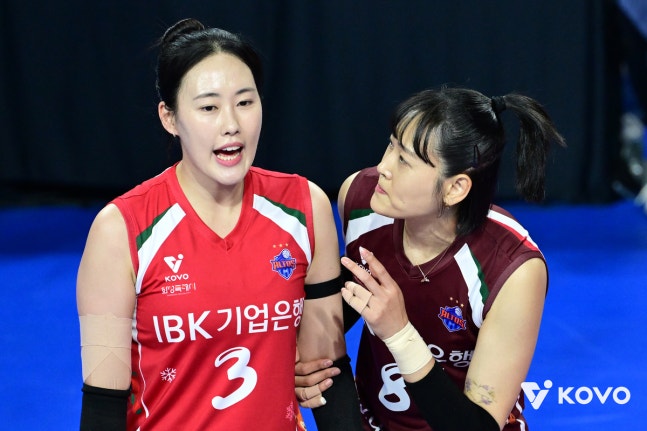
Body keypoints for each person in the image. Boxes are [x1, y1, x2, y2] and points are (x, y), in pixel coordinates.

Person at [76, 18, 362, 430]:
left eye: (245, 102)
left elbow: (327, 374)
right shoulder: (120, 229)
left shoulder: (305, 207)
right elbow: (103, 406)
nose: (232, 124)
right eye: (209, 107)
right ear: (169, 117)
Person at [295, 86, 565, 430]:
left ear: (455, 188)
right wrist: (301, 357)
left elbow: (478, 427)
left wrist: (399, 334)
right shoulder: (362, 201)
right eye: (391, 146)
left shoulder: (512, 268)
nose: (382, 167)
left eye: (404, 161)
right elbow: (336, 318)